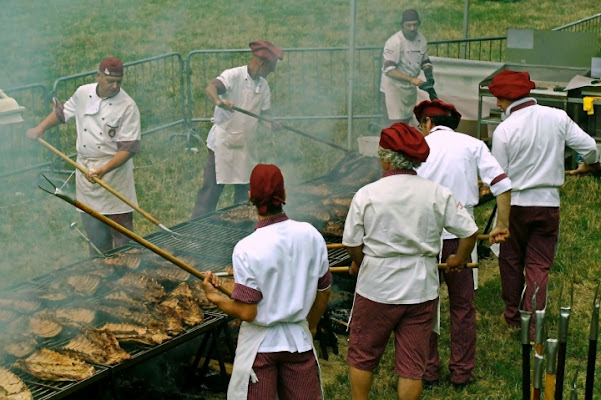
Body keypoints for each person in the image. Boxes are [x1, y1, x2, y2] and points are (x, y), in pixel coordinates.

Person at [343, 122, 479, 400]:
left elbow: (352, 243)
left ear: (384, 158)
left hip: (376, 287)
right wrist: (458, 258)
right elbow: (469, 231)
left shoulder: (367, 194)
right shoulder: (437, 193)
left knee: (362, 355)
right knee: (412, 366)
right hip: (420, 289)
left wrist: (359, 262)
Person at [201, 163, 332, 400]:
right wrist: (309, 325)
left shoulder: (246, 248)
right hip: (298, 344)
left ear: (250, 197)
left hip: (261, 348)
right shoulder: (311, 235)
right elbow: (323, 290)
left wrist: (216, 298)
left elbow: (248, 312)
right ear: (284, 195)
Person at [489, 70, 600, 331]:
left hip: (514, 205)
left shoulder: (504, 129)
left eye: (499, 98)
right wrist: (590, 164)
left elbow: (498, 176)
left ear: (508, 98)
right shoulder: (557, 117)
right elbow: (590, 147)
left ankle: (513, 316)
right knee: (539, 265)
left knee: (510, 260)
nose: (497, 103)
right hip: (547, 203)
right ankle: (534, 320)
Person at [413, 99, 512, 388]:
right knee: (463, 306)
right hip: (462, 236)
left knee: (424, 306)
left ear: (428, 123)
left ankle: (428, 372)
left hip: (424, 236)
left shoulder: (418, 147)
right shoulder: (472, 144)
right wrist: (502, 224)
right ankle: (461, 374)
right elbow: (502, 184)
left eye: (421, 125)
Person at [27, 57, 141, 255]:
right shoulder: (83, 93)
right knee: (95, 232)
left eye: (119, 82)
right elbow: (62, 113)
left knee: (122, 235)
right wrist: (40, 128)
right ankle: (99, 269)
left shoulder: (128, 106)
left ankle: (129, 274)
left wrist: (103, 170)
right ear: (98, 76)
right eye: (110, 81)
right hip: (85, 170)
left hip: (114, 174)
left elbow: (128, 148)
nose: (115, 86)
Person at [191, 40, 284, 218]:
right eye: (272, 66)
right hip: (223, 144)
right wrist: (219, 102)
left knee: (244, 193)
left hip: (246, 146)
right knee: (211, 189)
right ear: (263, 63)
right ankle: (197, 226)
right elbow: (210, 88)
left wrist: (272, 124)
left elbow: (265, 116)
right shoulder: (233, 76)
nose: (273, 71)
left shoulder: (263, 86)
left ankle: (240, 226)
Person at [380, 9, 435, 126]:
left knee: (406, 123)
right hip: (393, 90)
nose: (412, 28)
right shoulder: (394, 42)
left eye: (415, 24)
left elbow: (425, 62)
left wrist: (429, 75)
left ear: (419, 24)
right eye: (408, 25)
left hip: (409, 90)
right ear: (402, 25)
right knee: (394, 126)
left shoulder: (422, 40)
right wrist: (412, 79)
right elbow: (389, 71)